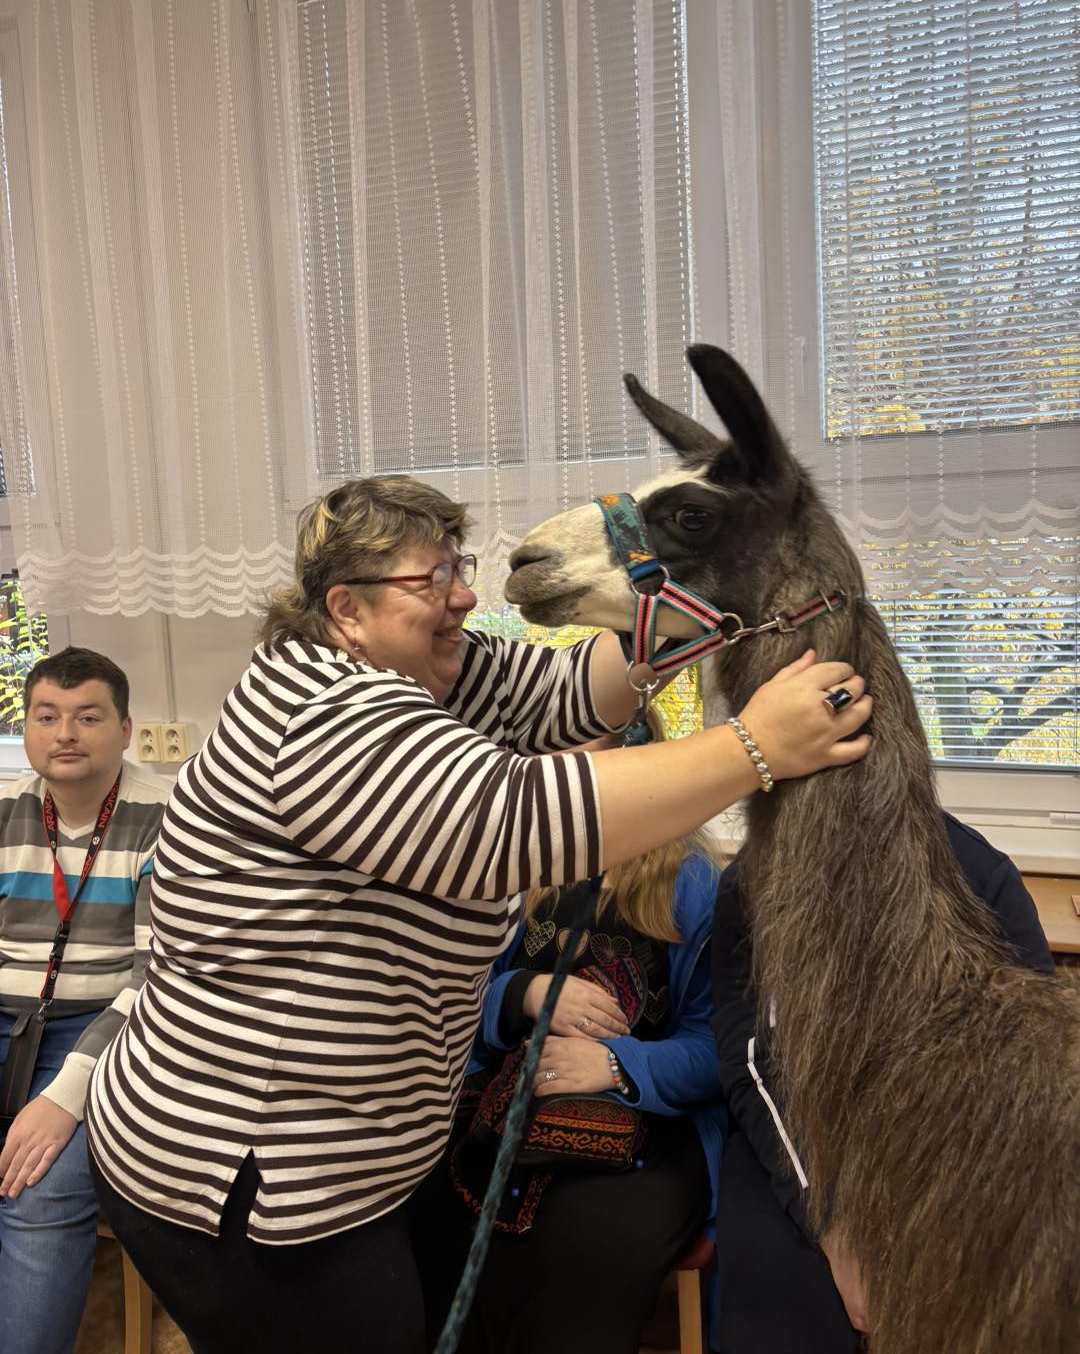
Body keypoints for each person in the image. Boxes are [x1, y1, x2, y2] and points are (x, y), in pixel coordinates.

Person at [85, 475, 871, 1354]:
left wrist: (690, 595)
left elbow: (567, 689)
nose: (464, 595)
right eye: (432, 580)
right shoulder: (323, 716)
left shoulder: (422, 668)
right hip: (252, 1174)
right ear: (347, 609)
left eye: (456, 566)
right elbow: (520, 821)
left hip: (355, 1155)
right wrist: (756, 746)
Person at [709, 815, 1055, 1354]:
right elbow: (756, 1066)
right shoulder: (759, 879)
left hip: (948, 1146)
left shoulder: (981, 874)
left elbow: (1029, 1066)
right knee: (779, 1290)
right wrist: (831, 1224)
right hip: (799, 1140)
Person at [409, 805, 728, 1354]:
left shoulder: (695, 882)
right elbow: (442, 1001)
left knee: (592, 1244)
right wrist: (522, 993)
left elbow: (718, 1049)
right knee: (429, 1210)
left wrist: (616, 1064)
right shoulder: (513, 860)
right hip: (505, 1102)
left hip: (651, 1124)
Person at [0, 647, 171, 1354]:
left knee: (38, 1191)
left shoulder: (167, 815)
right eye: (47, 717)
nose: (65, 733)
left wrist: (65, 1097)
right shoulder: (6, 810)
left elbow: (157, 977)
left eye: (88, 717)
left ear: (126, 729)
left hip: (103, 1031)